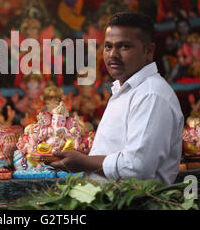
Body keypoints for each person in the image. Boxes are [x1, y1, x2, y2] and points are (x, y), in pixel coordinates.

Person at [50, 12, 184, 185]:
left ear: (149, 51)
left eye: (124, 46)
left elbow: (137, 167)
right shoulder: (125, 90)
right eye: (108, 47)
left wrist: (83, 162)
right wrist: (85, 156)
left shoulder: (152, 95)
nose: (113, 54)